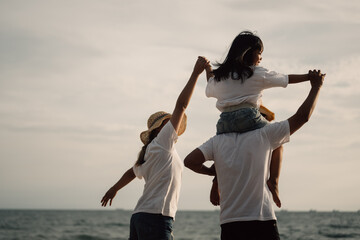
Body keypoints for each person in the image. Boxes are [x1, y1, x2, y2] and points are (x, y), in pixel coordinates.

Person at [184, 70, 325, 240]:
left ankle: (274, 182)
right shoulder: (265, 134)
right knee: (279, 144)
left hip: (230, 222)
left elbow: (190, 161)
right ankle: (274, 182)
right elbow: (302, 117)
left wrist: (214, 174)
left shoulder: (217, 141)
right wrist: (316, 87)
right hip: (261, 219)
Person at [204, 31, 317, 207]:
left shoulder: (219, 78)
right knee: (277, 141)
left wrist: (208, 70)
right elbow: (286, 79)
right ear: (249, 52)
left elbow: (209, 86)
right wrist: (309, 78)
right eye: (259, 53)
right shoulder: (255, 73)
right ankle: (274, 182)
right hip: (248, 117)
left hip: (224, 123)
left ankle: (216, 182)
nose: (260, 58)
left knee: (224, 149)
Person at [100, 56, 209, 240]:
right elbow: (181, 106)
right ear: (159, 129)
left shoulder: (152, 150)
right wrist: (195, 74)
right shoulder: (162, 142)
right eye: (168, 123)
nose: (173, 124)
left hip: (140, 217)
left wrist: (114, 188)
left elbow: (132, 172)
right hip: (155, 218)